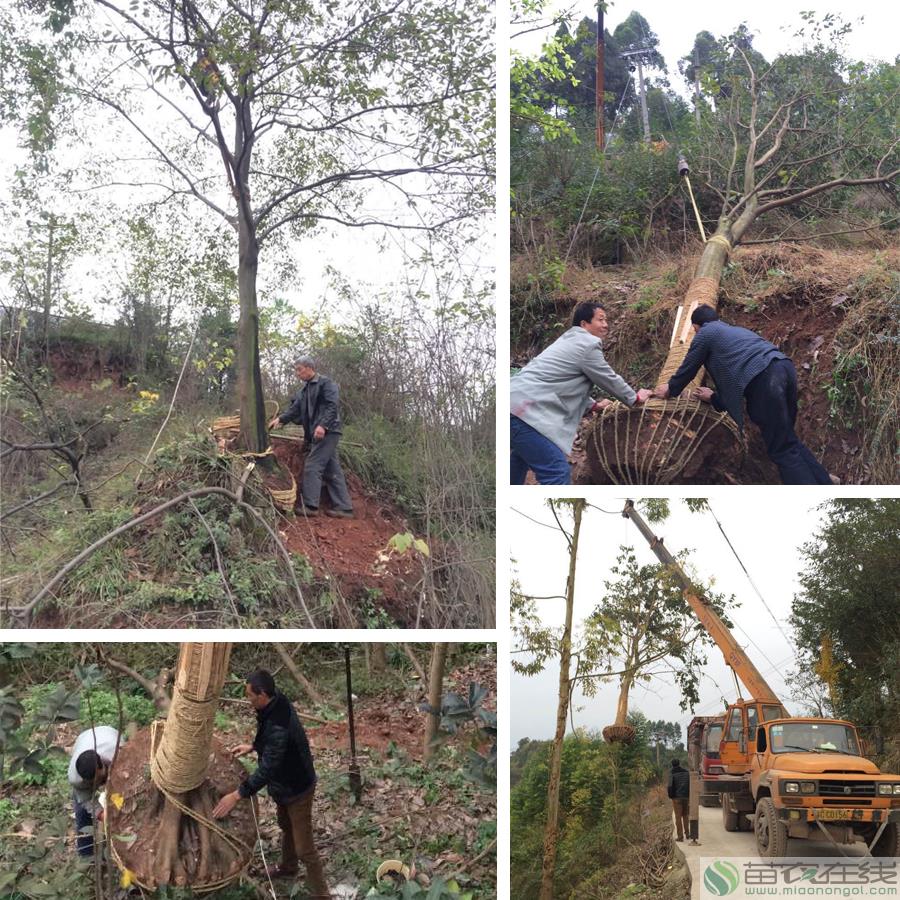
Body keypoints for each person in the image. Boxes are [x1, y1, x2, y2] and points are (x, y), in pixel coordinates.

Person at [653, 306, 832, 484]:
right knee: (788, 441)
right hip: (784, 367)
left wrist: (670, 389)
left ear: (695, 327)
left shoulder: (705, 333)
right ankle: (825, 484)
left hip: (765, 378)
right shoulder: (734, 332)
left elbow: (689, 367)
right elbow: (734, 379)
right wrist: (714, 398)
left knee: (782, 450)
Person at [213, 670, 330, 899]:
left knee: (305, 848)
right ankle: (288, 867)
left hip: (297, 789)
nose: (248, 701)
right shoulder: (274, 705)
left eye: (250, 696)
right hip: (284, 786)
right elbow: (267, 735)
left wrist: (237, 795)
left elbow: (268, 769)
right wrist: (254, 746)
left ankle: (323, 894)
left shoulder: (278, 725)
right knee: (285, 826)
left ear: (263, 693)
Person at [510, 303, 652, 484]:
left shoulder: (567, 342)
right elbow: (607, 377)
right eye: (600, 319)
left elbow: (561, 381)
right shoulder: (587, 344)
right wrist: (635, 398)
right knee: (557, 471)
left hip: (513, 405)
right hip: (524, 414)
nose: (606, 324)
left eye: (606, 320)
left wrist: (593, 405)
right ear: (584, 324)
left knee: (520, 460)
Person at [268, 356, 354, 518]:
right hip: (318, 433)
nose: (297, 373)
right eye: (296, 370)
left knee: (313, 465)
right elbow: (294, 410)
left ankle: (310, 506)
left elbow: (332, 405)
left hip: (327, 432)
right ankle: (344, 508)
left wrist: (323, 425)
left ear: (309, 368)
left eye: (299, 369)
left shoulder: (326, 384)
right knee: (331, 468)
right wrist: (280, 420)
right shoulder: (304, 390)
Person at [67, 725, 121, 857]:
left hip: (109, 734)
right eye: (93, 782)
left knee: (119, 799)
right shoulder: (76, 778)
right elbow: (86, 799)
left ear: (102, 765)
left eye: (100, 778)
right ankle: (86, 854)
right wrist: (101, 815)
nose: (98, 784)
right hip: (84, 739)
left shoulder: (118, 754)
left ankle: (115, 847)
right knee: (82, 812)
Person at [667, 758, 690, 842]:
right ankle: (687, 834)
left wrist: (671, 796)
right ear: (679, 763)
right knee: (685, 815)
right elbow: (689, 783)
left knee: (678, 817)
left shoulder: (672, 773)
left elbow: (670, 786)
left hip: (677, 798)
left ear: (672, 765)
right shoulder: (686, 772)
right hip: (686, 797)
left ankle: (680, 837)